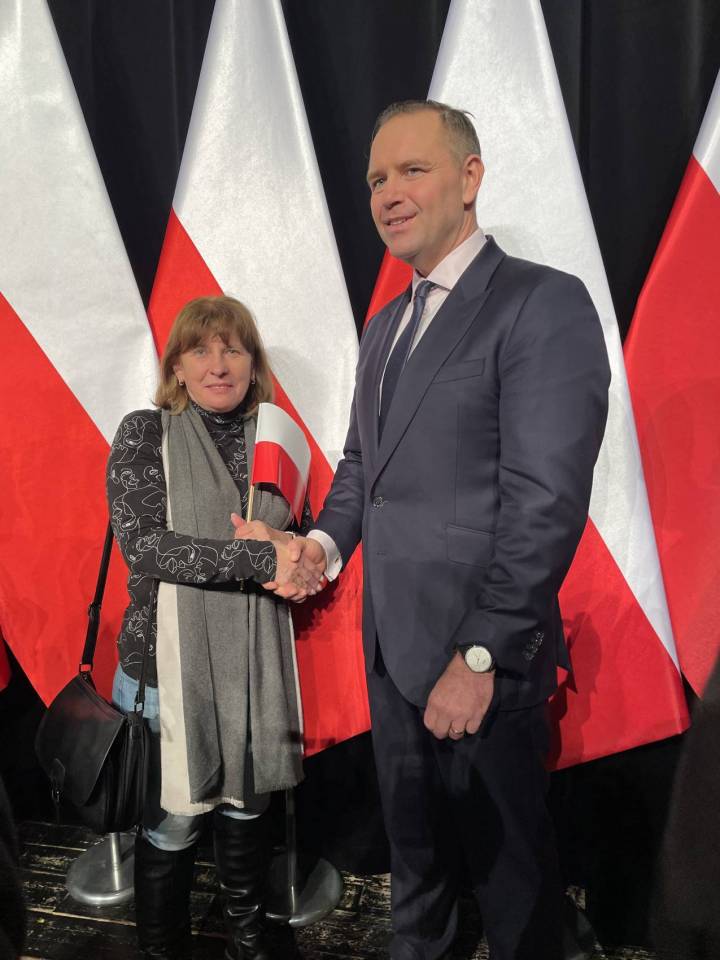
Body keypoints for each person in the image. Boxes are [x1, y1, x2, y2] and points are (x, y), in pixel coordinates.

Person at [263, 100, 611, 959]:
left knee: (513, 890)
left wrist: (481, 653)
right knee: (416, 876)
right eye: (376, 178)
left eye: (412, 170)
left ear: (470, 177)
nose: (388, 193)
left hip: (479, 664)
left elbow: (544, 503)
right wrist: (320, 547)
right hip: (392, 655)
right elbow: (362, 469)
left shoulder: (541, 303)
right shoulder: (386, 325)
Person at [106, 295, 306, 960]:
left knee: (248, 811)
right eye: (201, 350)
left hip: (254, 668)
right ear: (178, 367)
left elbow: (299, 537)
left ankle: (247, 940)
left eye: (233, 349)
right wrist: (263, 559)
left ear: (253, 364)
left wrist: (298, 556)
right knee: (174, 825)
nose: (218, 365)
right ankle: (165, 950)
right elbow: (147, 548)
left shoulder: (274, 441)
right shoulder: (144, 433)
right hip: (166, 673)